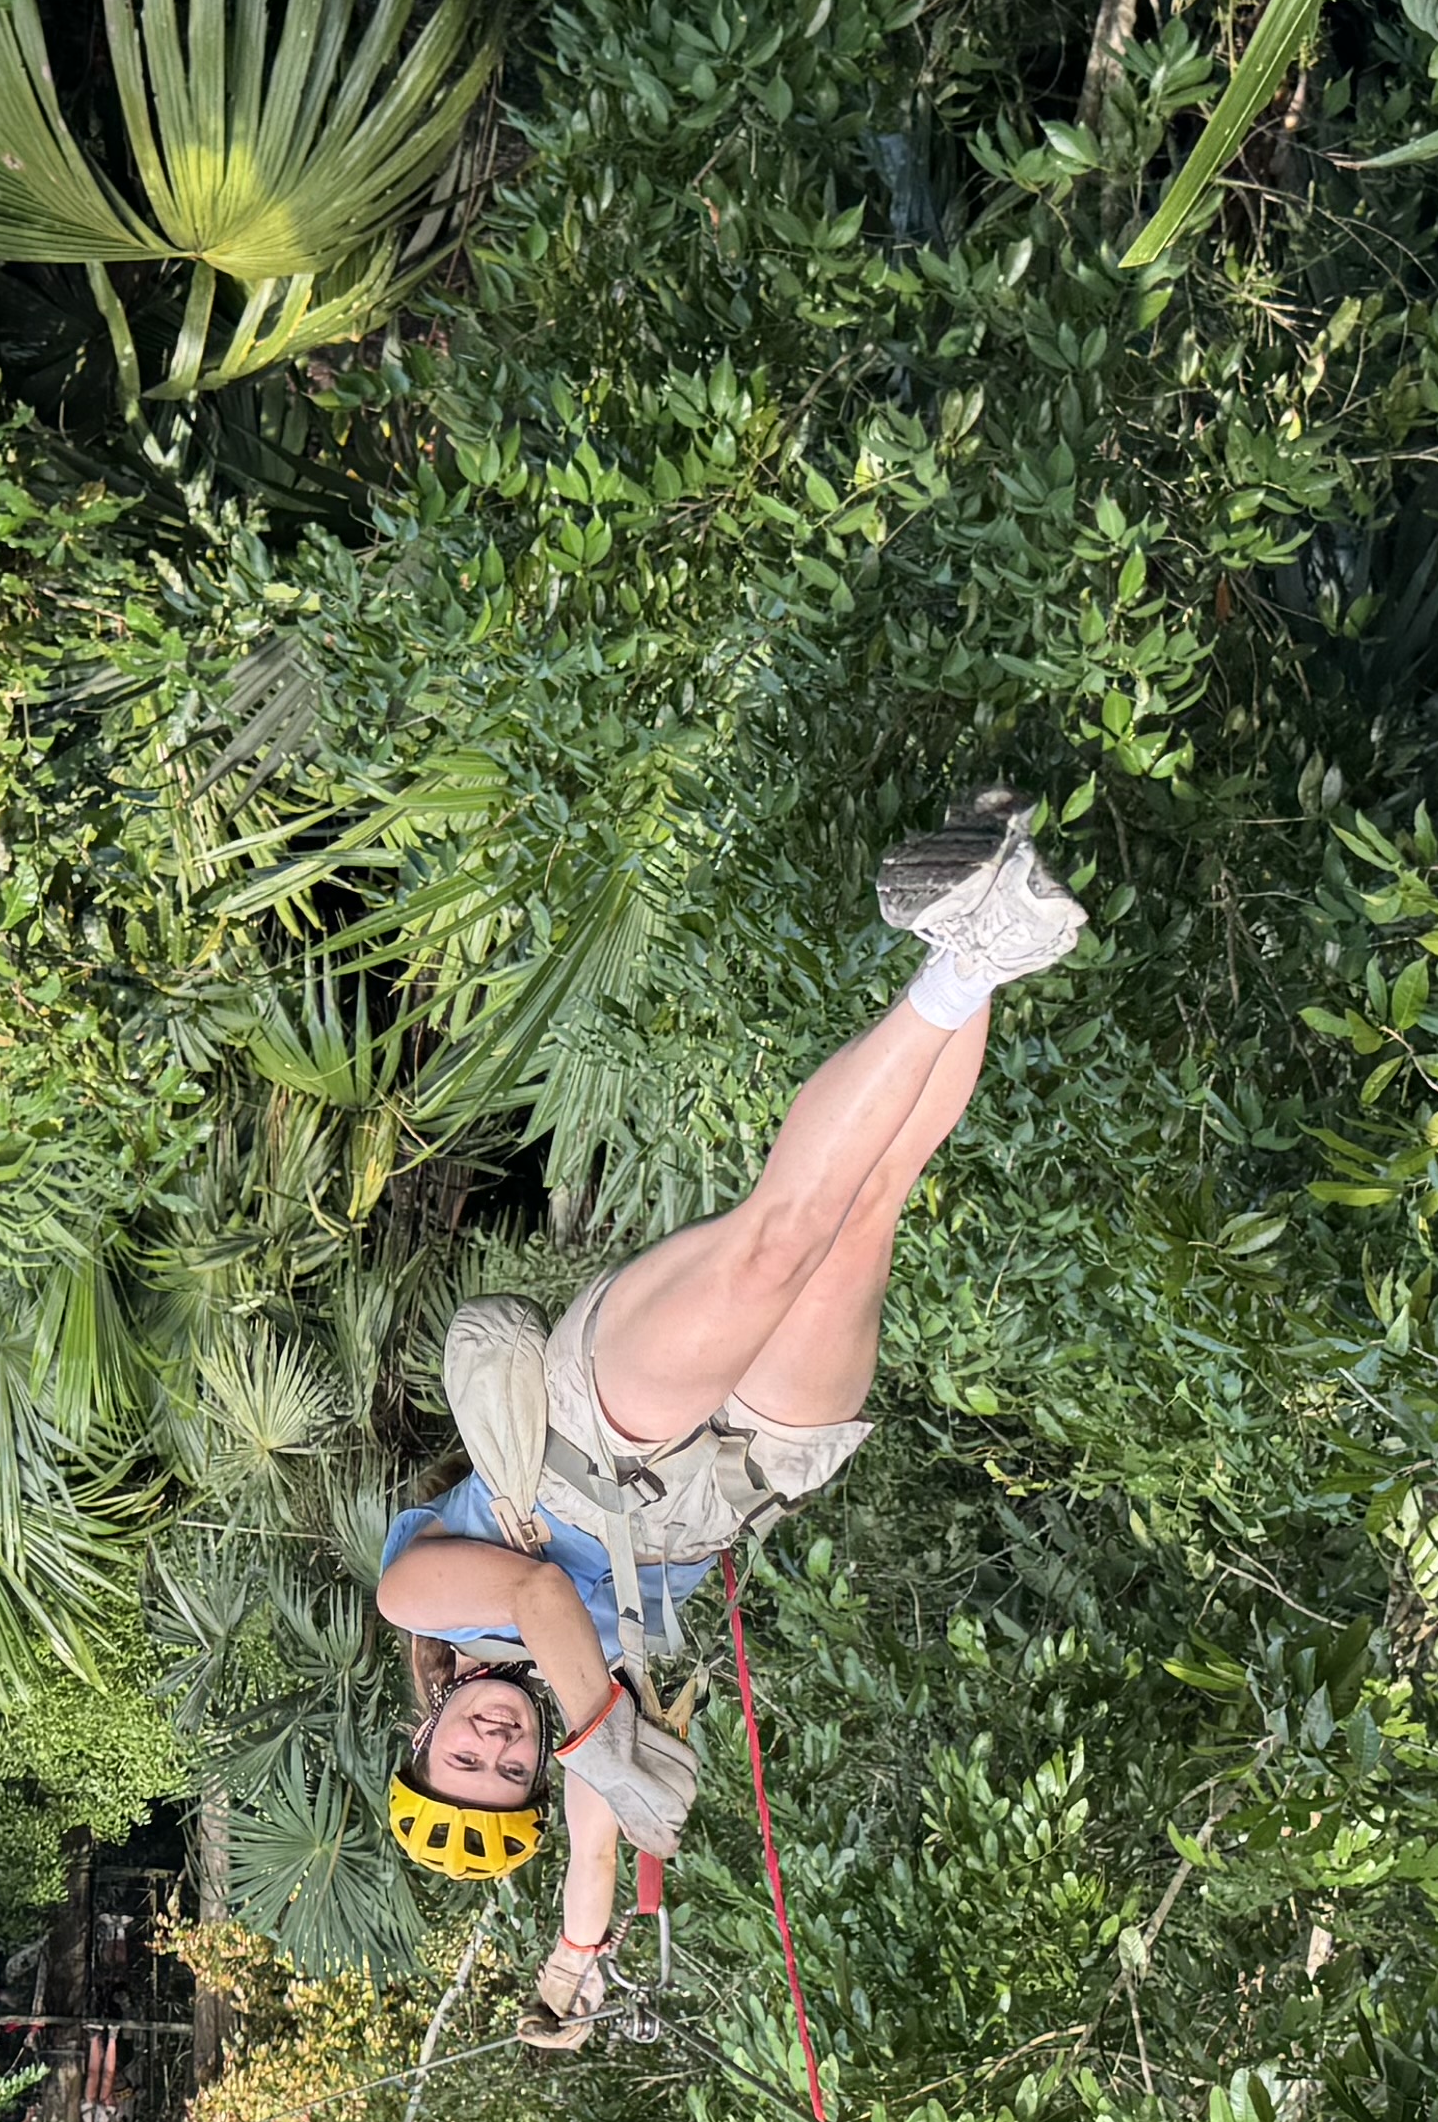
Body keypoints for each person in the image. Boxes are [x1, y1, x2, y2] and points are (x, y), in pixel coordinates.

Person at [376, 801, 1088, 2038]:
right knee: (867, 1217)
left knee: (776, 1246)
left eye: (461, 1762)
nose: (494, 1751)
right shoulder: (596, 1726)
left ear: (423, 1726)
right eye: (509, 1777)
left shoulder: (417, 1602)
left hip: (591, 1441)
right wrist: (574, 1965)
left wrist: (601, 1738)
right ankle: (1001, 924)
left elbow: (545, 1601)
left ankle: (966, 955)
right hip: (726, 1491)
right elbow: (598, 1850)